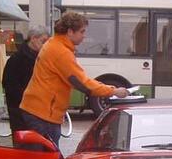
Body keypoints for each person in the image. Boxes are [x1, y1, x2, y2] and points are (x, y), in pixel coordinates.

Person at [20, 12, 128, 145]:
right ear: (70, 31)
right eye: (82, 31)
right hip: (43, 115)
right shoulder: (61, 52)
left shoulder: (54, 44)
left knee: (45, 158)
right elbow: (83, 84)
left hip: (38, 111)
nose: (84, 36)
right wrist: (114, 91)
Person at [2, 25, 50, 139]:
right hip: (21, 112)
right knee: (25, 146)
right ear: (33, 38)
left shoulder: (41, 58)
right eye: (43, 41)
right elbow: (10, 86)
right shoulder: (17, 59)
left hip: (36, 111)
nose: (45, 46)